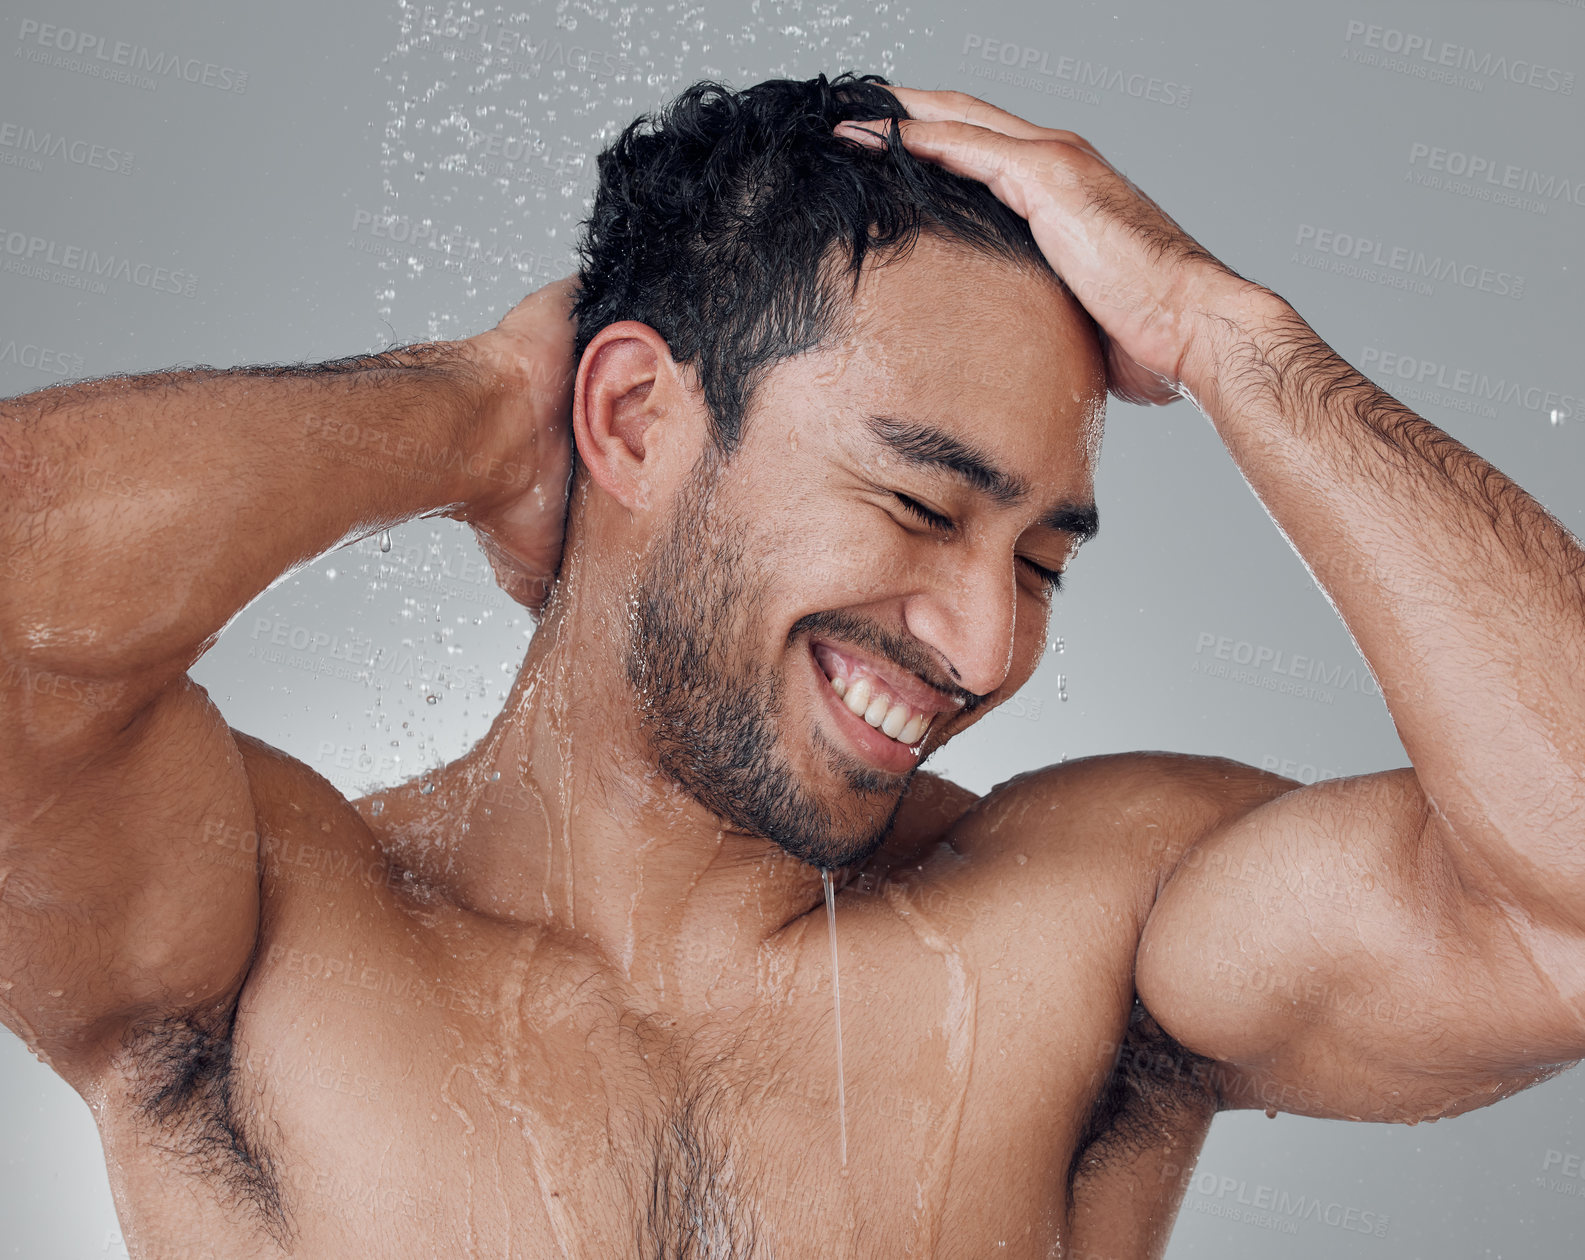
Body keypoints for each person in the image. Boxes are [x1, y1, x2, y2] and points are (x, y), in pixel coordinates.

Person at [1, 70, 1581, 1258]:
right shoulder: (264, 924)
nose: (979, 640)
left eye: (1038, 562)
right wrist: (475, 411)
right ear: (631, 421)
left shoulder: (1092, 924)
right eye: (915, 504)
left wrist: (1230, 335)